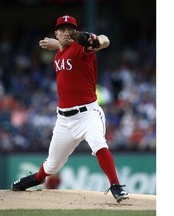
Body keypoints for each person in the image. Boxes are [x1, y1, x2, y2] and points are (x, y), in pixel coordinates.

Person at [11, 15, 129, 203]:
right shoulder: (59, 53)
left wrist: (92, 39)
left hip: (88, 114)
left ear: (75, 31)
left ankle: (115, 185)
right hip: (64, 120)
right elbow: (66, 51)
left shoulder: (83, 47)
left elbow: (105, 41)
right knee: (51, 166)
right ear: (56, 33)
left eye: (69, 29)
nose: (66, 32)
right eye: (62, 29)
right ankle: (37, 178)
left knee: (98, 144)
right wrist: (58, 45)